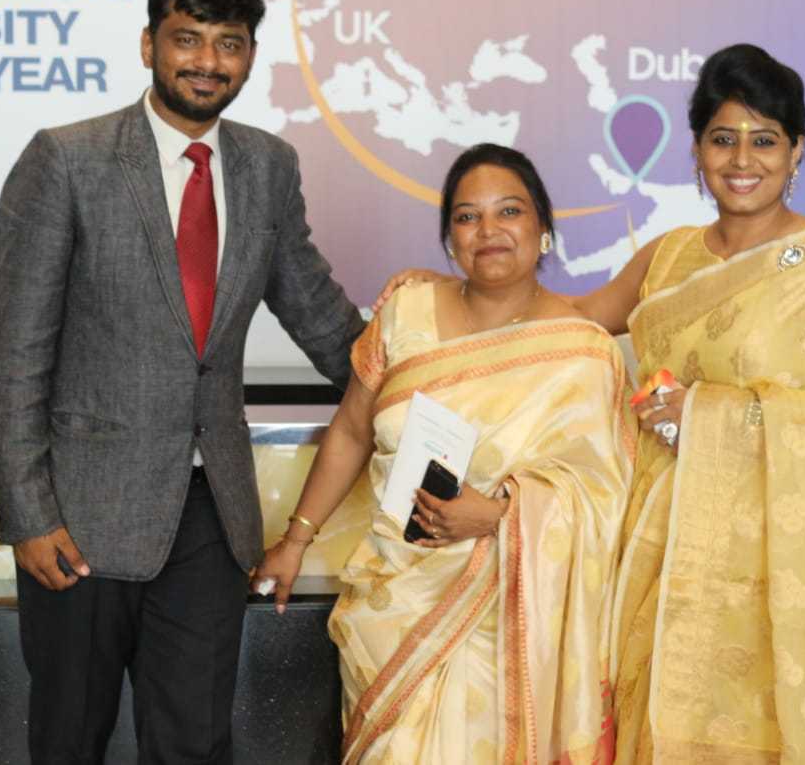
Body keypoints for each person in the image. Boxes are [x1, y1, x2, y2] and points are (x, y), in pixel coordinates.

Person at [378, 45, 805, 762]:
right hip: (665, 557)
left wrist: (705, 414)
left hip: (783, 571)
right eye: (723, 138)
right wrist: (453, 288)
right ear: (698, 150)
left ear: (797, 150)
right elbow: (564, 320)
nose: (743, 159)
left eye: (766, 139)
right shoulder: (669, 257)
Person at [0, 0, 364, 763]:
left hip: (211, 518)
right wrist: (29, 515)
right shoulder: (67, 160)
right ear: (149, 44)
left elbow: (320, 316)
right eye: (188, 39)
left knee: (195, 744)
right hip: (80, 515)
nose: (207, 61)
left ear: (249, 56)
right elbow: (13, 355)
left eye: (230, 44)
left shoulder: (268, 166)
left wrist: (431, 377)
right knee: (69, 739)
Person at [256, 144, 635, 763]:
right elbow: (350, 432)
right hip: (401, 603)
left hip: (518, 622)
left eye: (509, 211)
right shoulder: (403, 317)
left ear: (543, 228)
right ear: (448, 239)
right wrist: (296, 540)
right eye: (467, 216)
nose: (489, 230)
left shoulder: (584, 352)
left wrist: (502, 516)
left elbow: (608, 498)